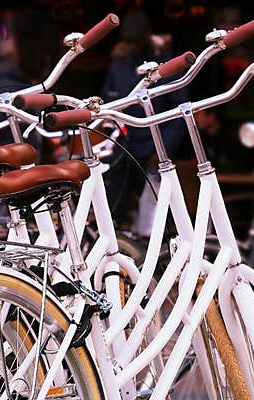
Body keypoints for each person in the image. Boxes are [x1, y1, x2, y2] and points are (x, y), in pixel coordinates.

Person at [99, 8, 190, 233]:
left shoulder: (164, 63)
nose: (131, 45)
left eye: (135, 40)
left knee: (159, 219)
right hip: (124, 147)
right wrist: (111, 144)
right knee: (113, 214)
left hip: (156, 147)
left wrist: (162, 149)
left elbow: (180, 111)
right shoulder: (118, 63)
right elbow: (108, 105)